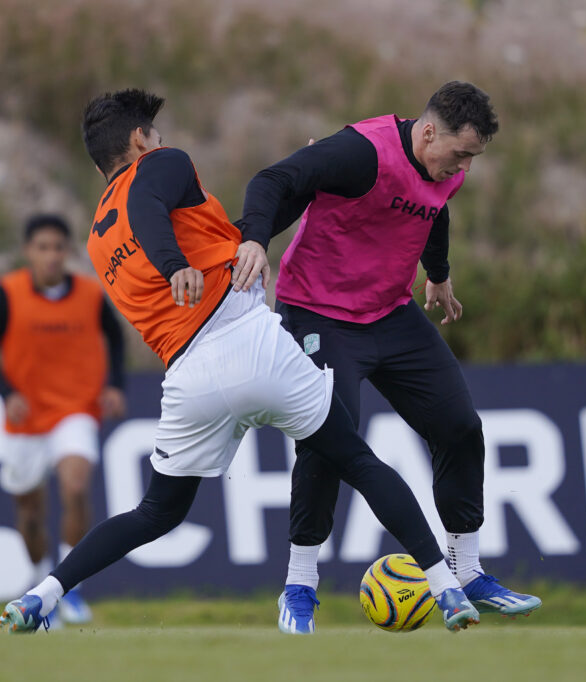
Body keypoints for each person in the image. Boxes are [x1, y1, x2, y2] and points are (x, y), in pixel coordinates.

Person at [0, 88, 481, 635]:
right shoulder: (161, 165)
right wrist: (174, 265)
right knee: (358, 461)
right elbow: (148, 207)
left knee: (155, 512)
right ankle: (446, 589)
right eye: (157, 135)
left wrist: (310, 179)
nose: (164, 142)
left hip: (190, 379)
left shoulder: (96, 241)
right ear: (140, 140)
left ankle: (40, 596)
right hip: (249, 342)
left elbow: (213, 235)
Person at [232, 80, 542, 633]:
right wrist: (255, 238)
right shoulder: (362, 152)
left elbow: (435, 211)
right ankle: (299, 586)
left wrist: (438, 274)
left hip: (390, 314)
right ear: (428, 133)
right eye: (461, 153)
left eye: (473, 156)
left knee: (460, 426)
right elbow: (273, 180)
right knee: (329, 441)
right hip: (318, 313)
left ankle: (467, 570)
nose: (465, 167)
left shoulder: (446, 169)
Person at [0, 213, 127, 626]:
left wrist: (115, 385)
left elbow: (115, 338)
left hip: (76, 409)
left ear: (67, 251)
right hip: (26, 419)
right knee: (29, 515)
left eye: (58, 247)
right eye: (43, 247)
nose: (51, 255)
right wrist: (7, 393)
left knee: (75, 486)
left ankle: (68, 588)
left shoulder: (90, 294)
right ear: (29, 251)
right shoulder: (7, 293)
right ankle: (39, 582)